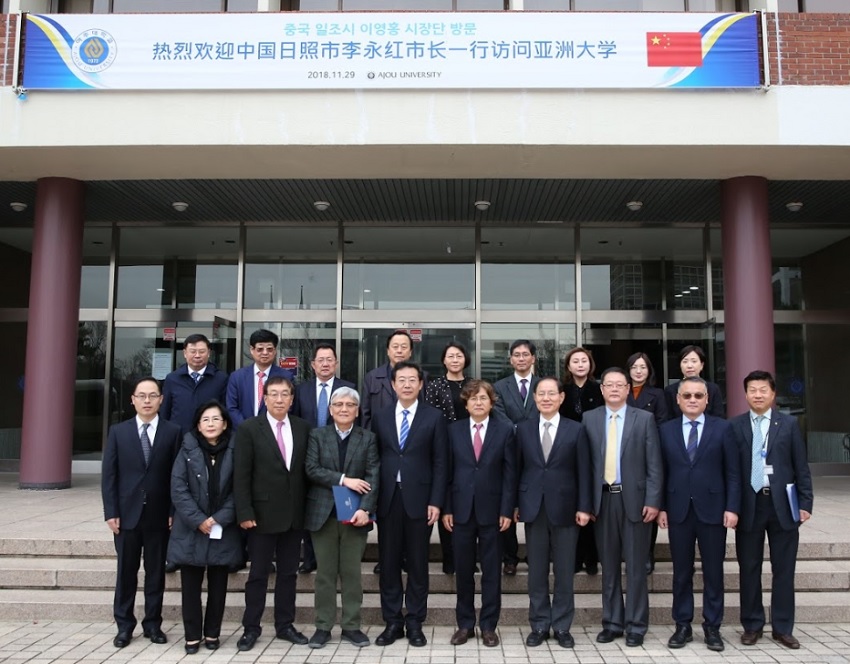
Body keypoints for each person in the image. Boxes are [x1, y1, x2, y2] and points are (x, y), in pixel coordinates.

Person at [730, 370, 813, 650]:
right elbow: (731, 472)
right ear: (745, 394)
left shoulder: (788, 425)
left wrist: (805, 503)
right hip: (749, 505)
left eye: (763, 390)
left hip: (782, 506)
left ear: (773, 393)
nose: (758, 395)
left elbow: (801, 466)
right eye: (752, 390)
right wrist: (731, 507)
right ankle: (752, 625)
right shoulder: (735, 426)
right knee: (749, 568)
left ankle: (783, 627)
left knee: (784, 569)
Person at [657, 377, 740, 653]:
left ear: (707, 399)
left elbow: (733, 472)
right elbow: (661, 472)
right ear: (678, 400)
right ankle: (682, 625)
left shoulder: (723, 428)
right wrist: (662, 507)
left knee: (713, 572)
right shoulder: (666, 430)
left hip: (714, 510)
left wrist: (732, 507)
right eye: (687, 395)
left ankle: (712, 627)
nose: (692, 400)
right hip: (678, 510)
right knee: (681, 573)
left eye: (698, 395)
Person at [582, 367, 662, 647]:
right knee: (609, 566)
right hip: (602, 501)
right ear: (602, 389)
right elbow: (585, 466)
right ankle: (612, 622)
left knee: (636, 567)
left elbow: (654, 464)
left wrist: (653, 501)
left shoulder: (645, 419)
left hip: (636, 502)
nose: (614, 389)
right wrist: (586, 503)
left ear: (628, 389)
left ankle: (636, 625)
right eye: (609, 385)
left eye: (620, 385)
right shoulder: (589, 419)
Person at [371, 361, 448, 648]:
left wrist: (436, 501)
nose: (406, 384)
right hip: (388, 499)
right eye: (401, 380)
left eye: (412, 380)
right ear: (393, 384)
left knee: (418, 563)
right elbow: (374, 458)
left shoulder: (434, 417)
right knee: (389, 562)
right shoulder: (380, 416)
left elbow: (441, 462)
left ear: (420, 384)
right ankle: (392, 621)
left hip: (421, 500)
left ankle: (415, 620)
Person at [101, 376, 181, 648]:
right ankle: (124, 626)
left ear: (161, 399)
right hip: (126, 515)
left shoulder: (173, 432)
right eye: (142, 396)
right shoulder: (118, 432)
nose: (147, 401)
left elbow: (177, 476)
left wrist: (173, 510)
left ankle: (153, 625)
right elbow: (109, 476)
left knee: (156, 573)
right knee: (126, 573)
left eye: (153, 396)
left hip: (160, 515)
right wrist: (111, 511)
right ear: (132, 400)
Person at [232, 376, 311, 652]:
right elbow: (241, 474)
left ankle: (285, 625)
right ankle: (251, 628)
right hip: (261, 515)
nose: (279, 399)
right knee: (258, 574)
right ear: (264, 399)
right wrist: (244, 511)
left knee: (289, 574)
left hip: (293, 515)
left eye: (285, 394)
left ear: (292, 399)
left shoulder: (303, 427)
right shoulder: (249, 429)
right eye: (274, 394)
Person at [517, 378, 592, 649]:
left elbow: (584, 471)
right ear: (535, 398)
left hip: (567, 508)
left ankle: (561, 626)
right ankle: (539, 624)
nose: (546, 398)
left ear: (561, 398)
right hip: (534, 507)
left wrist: (584, 507)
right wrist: (515, 505)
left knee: (564, 570)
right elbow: (516, 470)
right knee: (536, 572)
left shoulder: (576, 429)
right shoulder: (522, 429)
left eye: (552, 394)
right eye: (541, 394)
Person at [304, 387, 379, 649]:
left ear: (357, 411)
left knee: (351, 573)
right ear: (330, 409)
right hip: (323, 514)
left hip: (355, 515)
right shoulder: (317, 435)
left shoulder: (368, 438)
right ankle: (323, 626)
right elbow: (311, 469)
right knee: (324, 574)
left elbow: (373, 474)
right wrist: (344, 480)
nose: (344, 409)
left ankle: (351, 626)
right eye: (339, 404)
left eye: (350, 405)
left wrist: (365, 509)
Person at [442, 380, 516, 648]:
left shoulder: (505, 430)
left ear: (491, 402)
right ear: (466, 403)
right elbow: (446, 472)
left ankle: (488, 626)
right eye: (473, 398)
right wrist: (447, 508)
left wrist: (507, 509)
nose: (478, 402)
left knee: (491, 572)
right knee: (463, 570)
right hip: (460, 511)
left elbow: (510, 474)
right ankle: (464, 624)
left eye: (483, 398)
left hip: (493, 513)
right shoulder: (453, 431)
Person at [168, 400, 243, 654]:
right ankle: (192, 636)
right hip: (191, 529)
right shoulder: (187, 448)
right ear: (198, 426)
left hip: (223, 528)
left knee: (218, 587)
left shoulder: (235, 449)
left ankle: (212, 633)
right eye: (205, 420)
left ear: (225, 424)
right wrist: (198, 519)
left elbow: (240, 488)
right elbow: (178, 488)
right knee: (190, 587)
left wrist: (219, 517)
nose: (211, 424)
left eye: (216, 419)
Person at [292, 343, 355, 574]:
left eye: (330, 359)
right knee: (311, 509)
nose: (325, 364)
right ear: (313, 364)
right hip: (309, 456)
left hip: (340, 455)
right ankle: (310, 558)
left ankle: (336, 558)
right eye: (321, 360)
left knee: (338, 509)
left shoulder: (348, 388)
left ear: (336, 363)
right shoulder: (301, 390)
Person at [492, 339, 540, 576]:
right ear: (510, 359)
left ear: (533, 358)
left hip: (538, 453)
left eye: (525, 354)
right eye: (517, 355)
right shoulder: (499, 386)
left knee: (536, 501)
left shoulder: (544, 385)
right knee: (507, 500)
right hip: (508, 450)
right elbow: (499, 416)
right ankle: (509, 557)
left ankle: (535, 554)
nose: (521, 358)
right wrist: (522, 432)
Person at [425, 341, 472, 575]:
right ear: (444, 360)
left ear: (466, 359)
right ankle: (449, 557)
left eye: (459, 356)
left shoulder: (474, 385)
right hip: (444, 446)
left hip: (472, 448)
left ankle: (468, 557)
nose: (455, 360)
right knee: (447, 501)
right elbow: (430, 417)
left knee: (468, 500)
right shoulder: (435, 386)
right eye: (450, 356)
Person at [625, 351, 670, 574]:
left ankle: (647, 554)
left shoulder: (657, 394)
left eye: (643, 367)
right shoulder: (621, 391)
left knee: (647, 507)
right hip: (623, 456)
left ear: (649, 370)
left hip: (647, 455)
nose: (638, 371)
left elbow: (662, 424)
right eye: (634, 367)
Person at [559, 347, 603, 576]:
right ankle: (575, 557)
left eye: (584, 361)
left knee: (591, 504)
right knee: (572, 505)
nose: (580, 365)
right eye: (575, 361)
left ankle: (592, 558)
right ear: (568, 365)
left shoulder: (599, 388)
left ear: (590, 364)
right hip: (567, 451)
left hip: (595, 449)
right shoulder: (562, 390)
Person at [226, 329, 294, 429]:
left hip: (273, 432)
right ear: (252, 350)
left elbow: (288, 406)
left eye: (269, 349)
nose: (265, 353)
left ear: (275, 351)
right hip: (243, 432)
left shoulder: (286, 377)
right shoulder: (237, 377)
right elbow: (232, 408)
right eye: (260, 349)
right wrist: (247, 428)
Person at [161, 333, 228, 435]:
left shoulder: (221, 379)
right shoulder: (172, 379)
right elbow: (165, 412)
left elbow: (226, 411)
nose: (197, 355)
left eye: (202, 351)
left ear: (209, 353)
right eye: (193, 351)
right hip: (178, 437)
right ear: (185, 353)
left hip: (210, 438)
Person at [361, 330, 414, 431]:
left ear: (410, 352)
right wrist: (370, 437)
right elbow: (365, 413)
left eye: (404, 347)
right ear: (388, 351)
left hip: (411, 434)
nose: (399, 351)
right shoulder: (372, 377)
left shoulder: (421, 377)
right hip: (379, 434)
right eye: (395, 347)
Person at [664, 345, 725, 419]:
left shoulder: (713, 389)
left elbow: (718, 417)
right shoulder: (670, 391)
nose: (689, 366)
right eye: (685, 361)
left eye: (694, 361)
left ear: (702, 365)